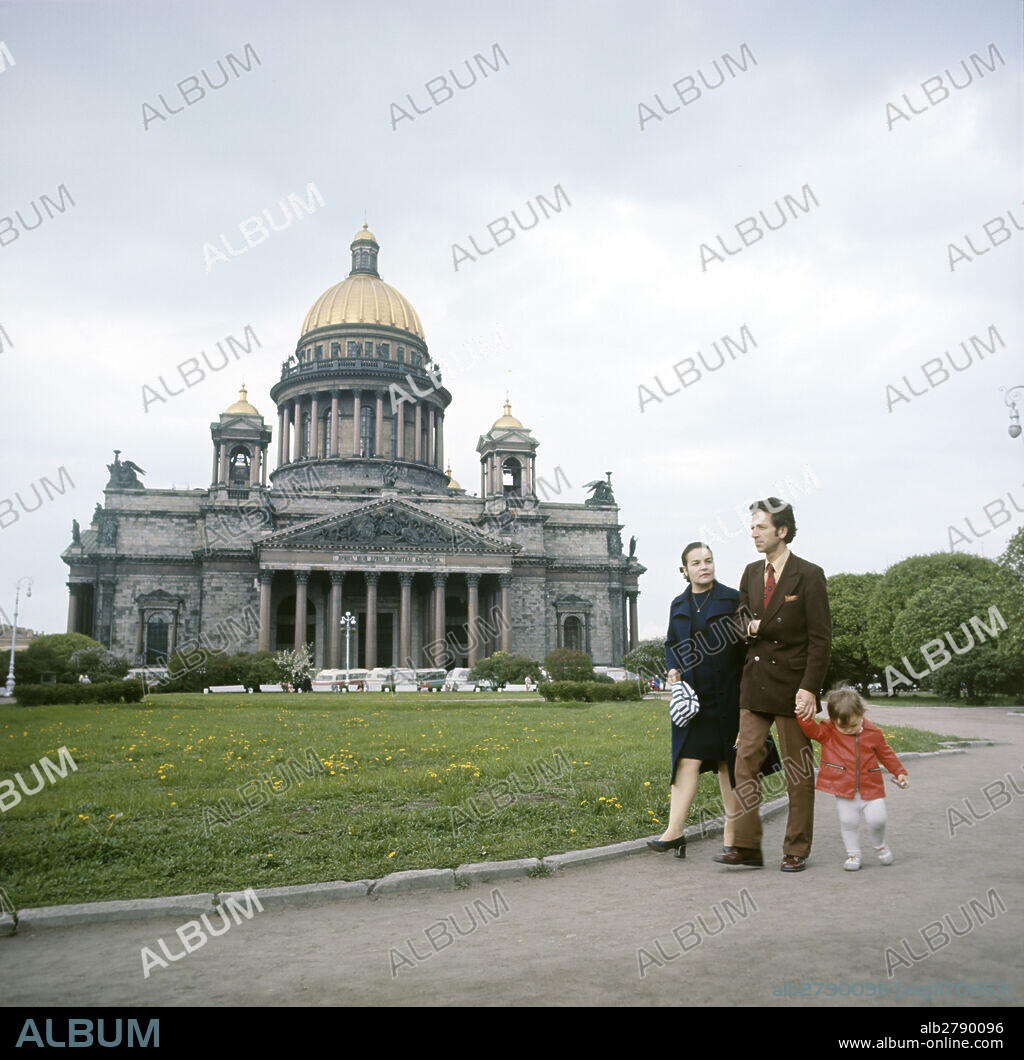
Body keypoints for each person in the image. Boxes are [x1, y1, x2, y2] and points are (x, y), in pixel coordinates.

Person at [715, 498, 831, 872]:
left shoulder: (809, 574)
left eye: (760, 527)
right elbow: (740, 620)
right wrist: (747, 626)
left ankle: (796, 848)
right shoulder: (751, 572)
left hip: (794, 685)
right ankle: (746, 846)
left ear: (782, 531)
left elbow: (821, 639)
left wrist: (810, 688)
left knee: (798, 769)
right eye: (752, 528)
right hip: (756, 682)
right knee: (745, 762)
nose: (753, 534)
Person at [648, 542, 745, 859]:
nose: (704, 566)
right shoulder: (678, 604)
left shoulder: (732, 598)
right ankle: (674, 832)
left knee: (726, 765)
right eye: (697, 562)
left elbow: (746, 646)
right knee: (686, 760)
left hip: (727, 696)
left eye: (709, 560)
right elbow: (671, 643)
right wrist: (673, 666)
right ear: (685, 570)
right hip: (692, 700)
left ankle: (733, 836)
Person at [798, 687, 908, 870]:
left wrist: (899, 772)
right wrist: (802, 715)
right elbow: (811, 731)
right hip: (844, 790)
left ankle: (879, 845)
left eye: (855, 725)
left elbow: (886, 754)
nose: (849, 730)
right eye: (843, 727)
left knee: (878, 819)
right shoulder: (828, 732)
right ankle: (853, 854)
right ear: (833, 720)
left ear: (861, 713)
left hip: (871, 788)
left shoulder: (874, 733)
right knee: (848, 823)